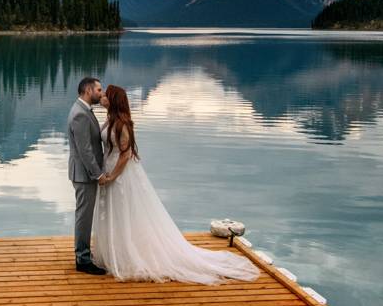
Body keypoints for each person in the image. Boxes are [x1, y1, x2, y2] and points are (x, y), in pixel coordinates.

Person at [93, 84, 259, 284]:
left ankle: (128, 255)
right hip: (109, 170)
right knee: (115, 214)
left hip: (120, 176)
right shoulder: (109, 120)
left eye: (105, 95)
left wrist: (112, 176)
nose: (102, 97)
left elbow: (125, 154)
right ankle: (115, 252)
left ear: (113, 100)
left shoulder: (122, 123)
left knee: (125, 212)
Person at [66, 76, 107, 275]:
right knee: (84, 216)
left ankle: (83, 255)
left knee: (85, 214)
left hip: (85, 173)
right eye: (99, 90)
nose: (101, 93)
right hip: (84, 175)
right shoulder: (80, 114)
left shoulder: (83, 110)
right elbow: (85, 150)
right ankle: (82, 259)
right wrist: (98, 175)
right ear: (88, 90)